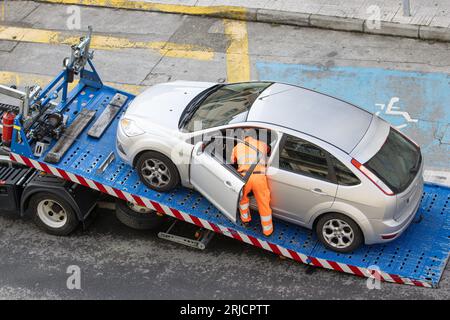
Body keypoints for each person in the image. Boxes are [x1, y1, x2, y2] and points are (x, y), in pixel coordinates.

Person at [230, 129, 273, 236]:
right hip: (259, 177)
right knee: (264, 203)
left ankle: (246, 221)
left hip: (244, 178)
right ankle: (267, 230)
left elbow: (232, 162)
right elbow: (269, 151)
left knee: (243, 200)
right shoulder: (262, 145)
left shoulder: (236, 147)